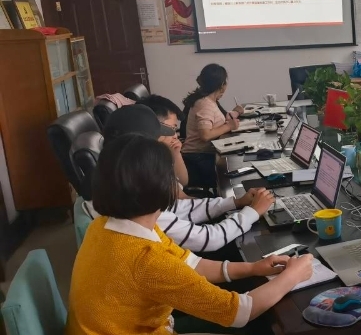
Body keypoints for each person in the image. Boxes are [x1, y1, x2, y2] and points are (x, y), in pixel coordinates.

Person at [63, 134, 316, 335]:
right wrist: (293, 276)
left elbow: (192, 264)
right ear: (161, 188)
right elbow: (239, 312)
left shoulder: (111, 227)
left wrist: (254, 268)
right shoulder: (144, 259)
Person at [86, 105, 273, 254]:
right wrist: (252, 212)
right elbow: (208, 239)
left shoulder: (121, 177)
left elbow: (178, 208)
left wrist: (235, 202)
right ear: (137, 146)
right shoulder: (134, 197)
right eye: (157, 138)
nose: (170, 138)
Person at [182, 64, 244, 189]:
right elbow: (205, 135)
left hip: (204, 155)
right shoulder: (205, 104)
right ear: (221, 85)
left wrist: (230, 119)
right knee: (238, 170)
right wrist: (229, 126)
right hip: (198, 159)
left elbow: (213, 122)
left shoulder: (208, 100)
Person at [138, 94, 189, 187]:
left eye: (175, 129)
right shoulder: (146, 163)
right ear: (153, 126)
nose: (175, 136)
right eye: (171, 128)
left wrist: (176, 154)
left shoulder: (165, 151)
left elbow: (183, 182)